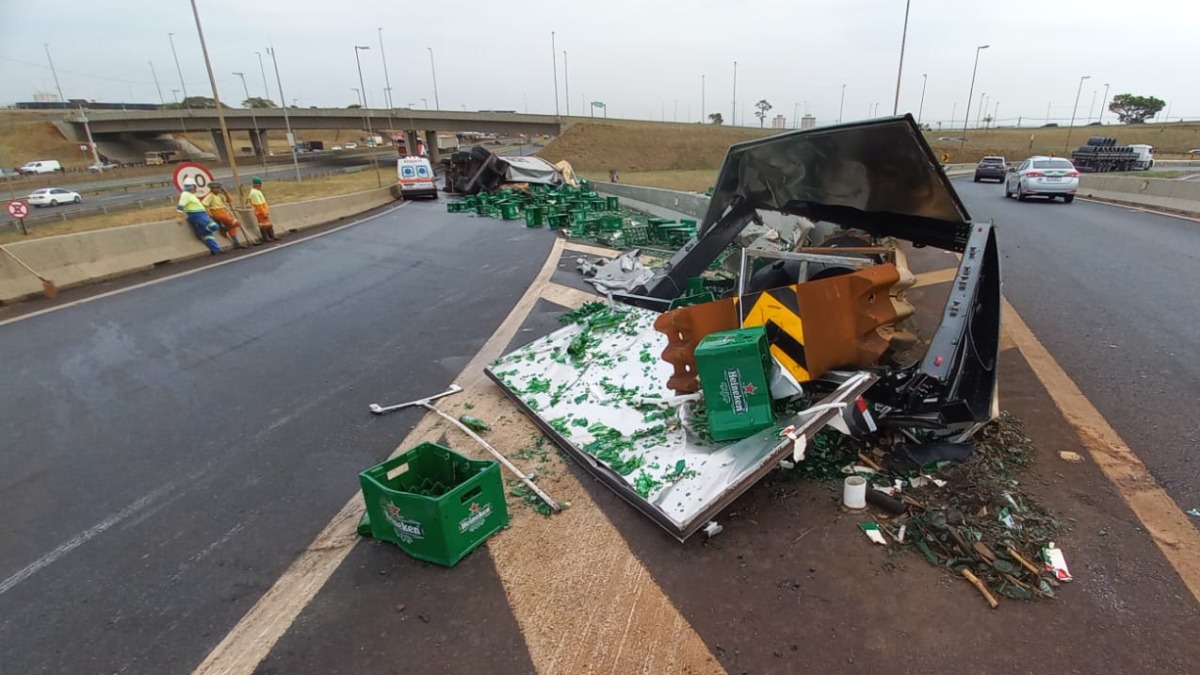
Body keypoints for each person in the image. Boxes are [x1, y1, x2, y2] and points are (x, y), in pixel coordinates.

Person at [176, 182, 223, 254]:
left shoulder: (191, 195)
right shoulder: (185, 194)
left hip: (202, 214)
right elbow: (180, 206)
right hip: (195, 214)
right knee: (213, 226)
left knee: (208, 234)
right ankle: (200, 231)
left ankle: (216, 250)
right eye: (195, 187)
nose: (196, 188)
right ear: (192, 187)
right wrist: (179, 217)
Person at [201, 181, 246, 248]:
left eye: (219, 188)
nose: (219, 190)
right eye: (217, 188)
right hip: (217, 213)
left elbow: (229, 200)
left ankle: (236, 242)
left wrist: (225, 192)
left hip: (224, 212)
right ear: (212, 188)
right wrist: (208, 213)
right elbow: (204, 204)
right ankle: (225, 229)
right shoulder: (210, 196)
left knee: (233, 227)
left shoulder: (220, 196)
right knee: (236, 223)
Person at [248, 176, 280, 242]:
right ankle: (266, 237)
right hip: (260, 211)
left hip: (263, 210)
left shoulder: (257, 191)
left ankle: (271, 236)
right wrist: (263, 212)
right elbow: (258, 204)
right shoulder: (254, 193)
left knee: (268, 223)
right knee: (262, 224)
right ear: (258, 185)